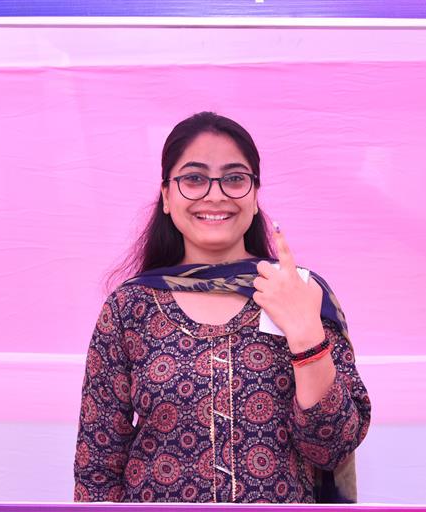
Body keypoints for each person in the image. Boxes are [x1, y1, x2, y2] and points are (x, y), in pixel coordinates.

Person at [74, 111, 370, 503]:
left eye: (234, 178)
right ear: (166, 196)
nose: (215, 195)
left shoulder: (297, 291)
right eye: (194, 178)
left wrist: (305, 336)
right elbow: (97, 467)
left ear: (254, 194)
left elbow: (333, 446)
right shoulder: (130, 309)